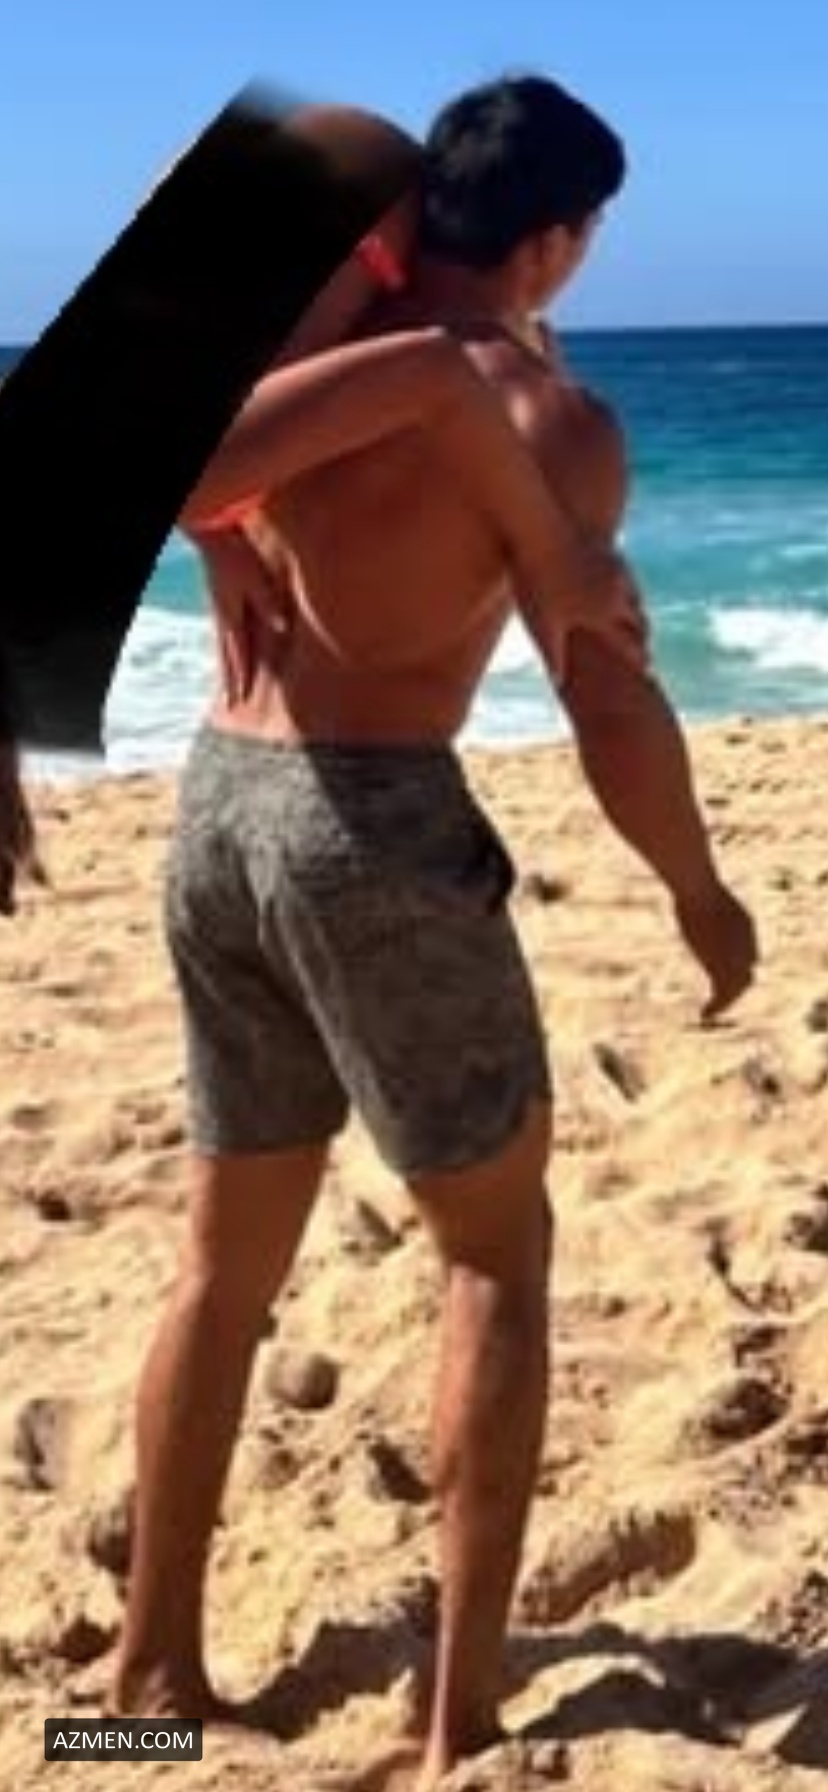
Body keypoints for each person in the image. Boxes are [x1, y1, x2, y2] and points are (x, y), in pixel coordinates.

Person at [113, 76, 757, 1788]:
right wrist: (698, 891)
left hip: (219, 809)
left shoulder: (314, 350)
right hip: (376, 828)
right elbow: (606, 699)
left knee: (220, 1272)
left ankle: (143, 1679)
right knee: (493, 1254)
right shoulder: (548, 420)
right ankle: (457, 1719)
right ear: (555, 238)